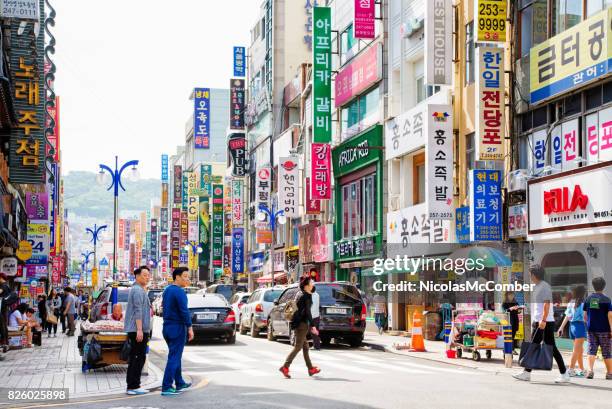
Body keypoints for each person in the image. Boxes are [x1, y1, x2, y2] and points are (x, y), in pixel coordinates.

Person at [514, 265, 569, 383]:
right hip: (539, 321)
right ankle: (527, 372)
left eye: (530, 274)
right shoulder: (538, 287)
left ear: (534, 275)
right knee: (539, 346)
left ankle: (563, 374)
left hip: (544, 322)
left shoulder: (544, 287)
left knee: (543, 347)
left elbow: (546, 304)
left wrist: (543, 320)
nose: (529, 276)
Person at [279, 276, 321, 379]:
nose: (313, 283)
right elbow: (307, 312)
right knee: (298, 347)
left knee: (305, 347)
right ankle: (285, 366)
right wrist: (313, 326)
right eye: (311, 282)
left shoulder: (300, 293)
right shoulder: (306, 296)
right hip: (302, 325)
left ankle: (310, 368)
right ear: (306, 285)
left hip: (299, 323)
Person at [161, 267, 194, 396]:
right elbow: (184, 311)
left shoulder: (167, 290)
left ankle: (179, 382)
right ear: (177, 277)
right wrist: (190, 327)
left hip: (167, 327)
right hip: (177, 327)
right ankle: (167, 386)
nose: (187, 279)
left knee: (175, 355)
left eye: (188, 276)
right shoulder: (179, 292)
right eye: (185, 276)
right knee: (174, 357)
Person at [124, 266, 152, 395]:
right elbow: (137, 310)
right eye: (144, 275)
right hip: (137, 331)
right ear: (137, 276)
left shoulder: (140, 289)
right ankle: (133, 386)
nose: (147, 277)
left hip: (139, 330)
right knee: (137, 358)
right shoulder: (137, 290)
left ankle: (134, 385)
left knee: (138, 358)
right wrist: (140, 330)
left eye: (148, 275)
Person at [583, 277, 612, 380]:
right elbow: (610, 315)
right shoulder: (607, 300)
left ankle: (590, 371)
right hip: (605, 330)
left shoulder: (589, 299)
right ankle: (609, 373)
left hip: (591, 330)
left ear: (593, 286)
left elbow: (585, 316)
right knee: (607, 352)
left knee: (591, 350)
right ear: (603, 287)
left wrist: (588, 325)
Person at [557, 285, 587, 377]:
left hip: (572, 327)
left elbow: (567, 316)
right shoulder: (583, 303)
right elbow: (585, 318)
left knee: (579, 350)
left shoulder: (571, 303)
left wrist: (561, 328)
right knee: (576, 350)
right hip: (580, 326)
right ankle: (571, 369)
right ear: (583, 293)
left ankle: (582, 370)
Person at [0, 273, 13, 349]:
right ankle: (5, 343)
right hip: (5, 308)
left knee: (2, 325)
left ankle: (4, 343)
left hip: (2, 308)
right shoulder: (7, 285)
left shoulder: (3, 286)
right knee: (4, 325)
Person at [310, 285, 321, 350]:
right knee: (315, 331)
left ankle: (316, 346)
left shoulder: (310, 295)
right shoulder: (317, 295)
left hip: (311, 316)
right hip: (316, 315)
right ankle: (317, 346)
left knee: (305, 331)